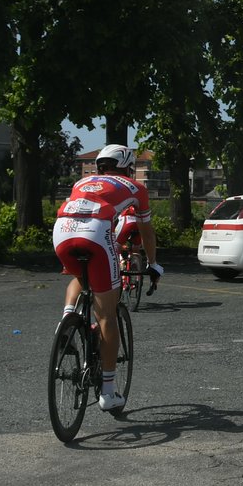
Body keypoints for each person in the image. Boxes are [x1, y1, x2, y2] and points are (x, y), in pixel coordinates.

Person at [52, 144, 160, 411]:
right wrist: (154, 264)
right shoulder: (136, 188)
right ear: (127, 166)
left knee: (80, 274)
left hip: (62, 229)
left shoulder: (82, 181)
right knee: (106, 315)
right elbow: (146, 232)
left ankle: (67, 320)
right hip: (97, 233)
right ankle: (109, 393)